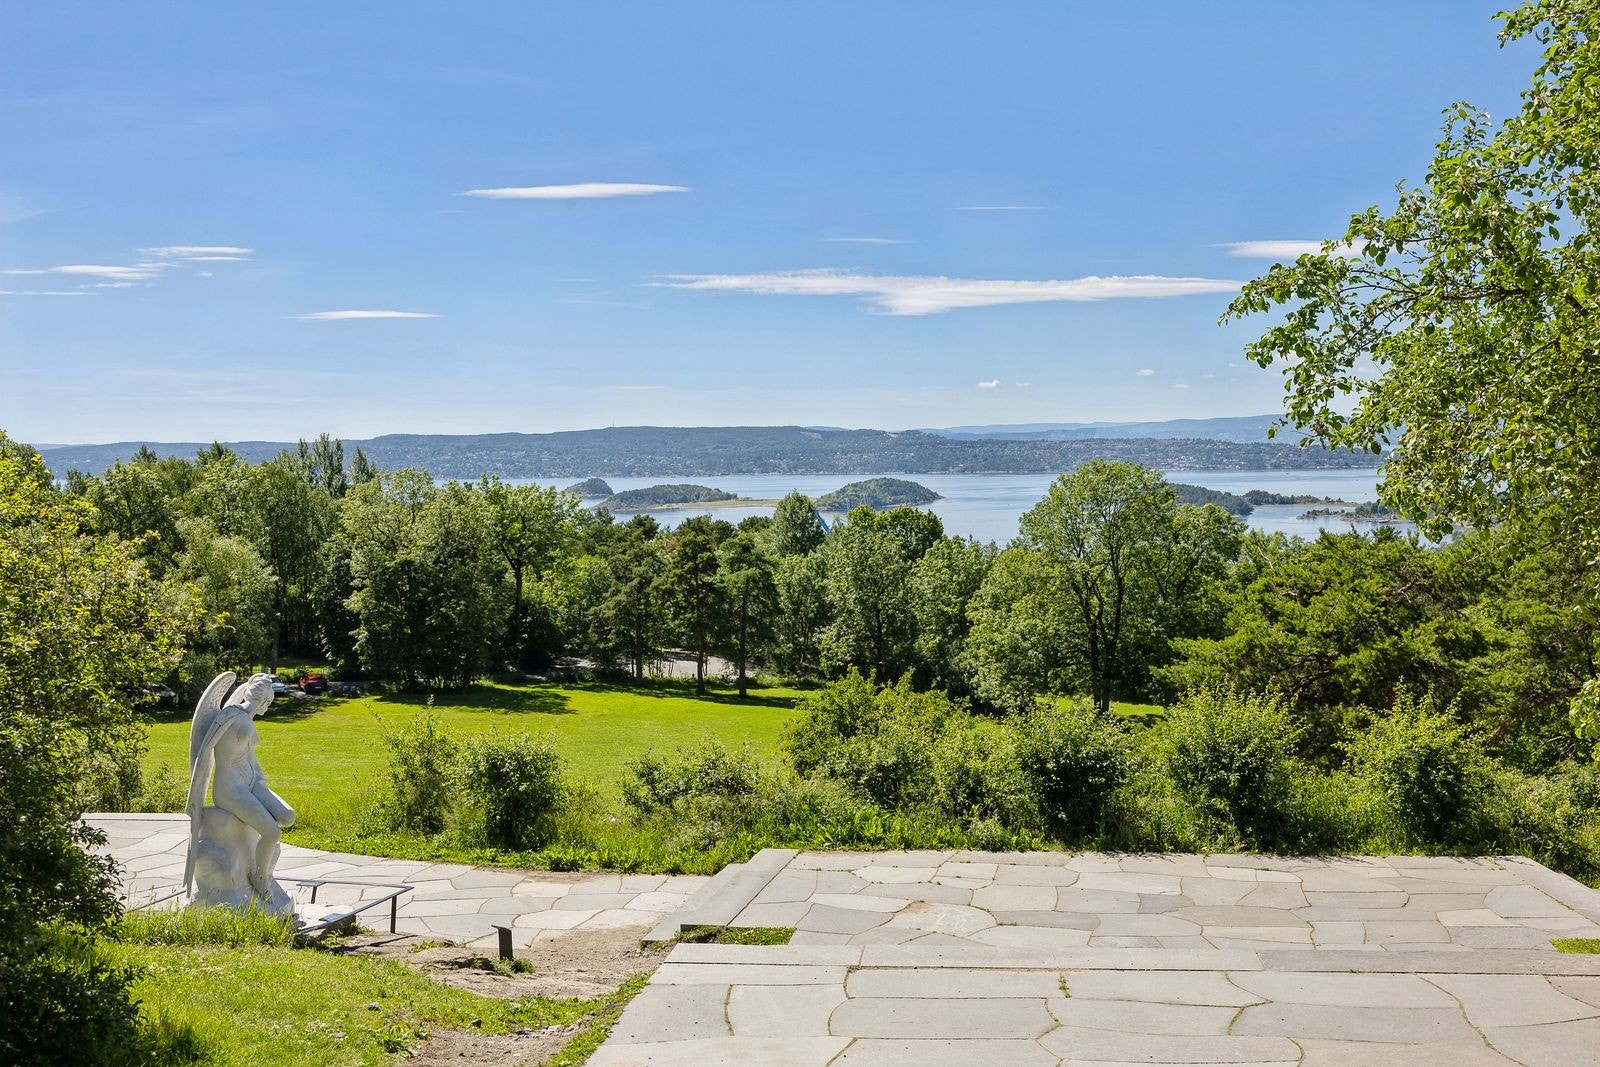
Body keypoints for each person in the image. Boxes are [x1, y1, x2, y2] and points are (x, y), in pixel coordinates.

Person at [184, 672, 296, 902]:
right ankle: (259, 878)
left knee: (287, 816)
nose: (266, 706)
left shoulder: (248, 719)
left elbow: (250, 757)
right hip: (231, 788)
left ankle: (262, 873)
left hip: (252, 783)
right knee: (272, 832)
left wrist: (261, 782)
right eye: (267, 701)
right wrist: (195, 794)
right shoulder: (231, 715)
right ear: (261, 699)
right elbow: (204, 751)